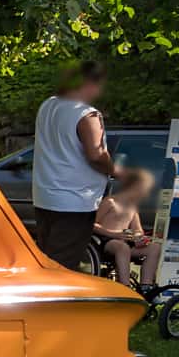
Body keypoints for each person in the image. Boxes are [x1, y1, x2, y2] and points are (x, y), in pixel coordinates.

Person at [30, 61, 121, 270]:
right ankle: (54, 301)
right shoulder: (86, 114)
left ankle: (44, 298)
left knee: (47, 257)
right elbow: (97, 155)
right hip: (74, 199)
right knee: (63, 264)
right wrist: (115, 171)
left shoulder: (49, 105)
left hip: (45, 195)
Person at [94, 165, 159, 284]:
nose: (145, 193)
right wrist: (114, 234)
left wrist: (139, 238)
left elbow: (137, 230)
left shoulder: (132, 207)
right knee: (122, 247)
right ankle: (125, 285)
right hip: (106, 241)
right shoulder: (110, 202)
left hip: (125, 243)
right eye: (143, 189)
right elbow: (92, 224)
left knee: (154, 248)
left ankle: (146, 285)